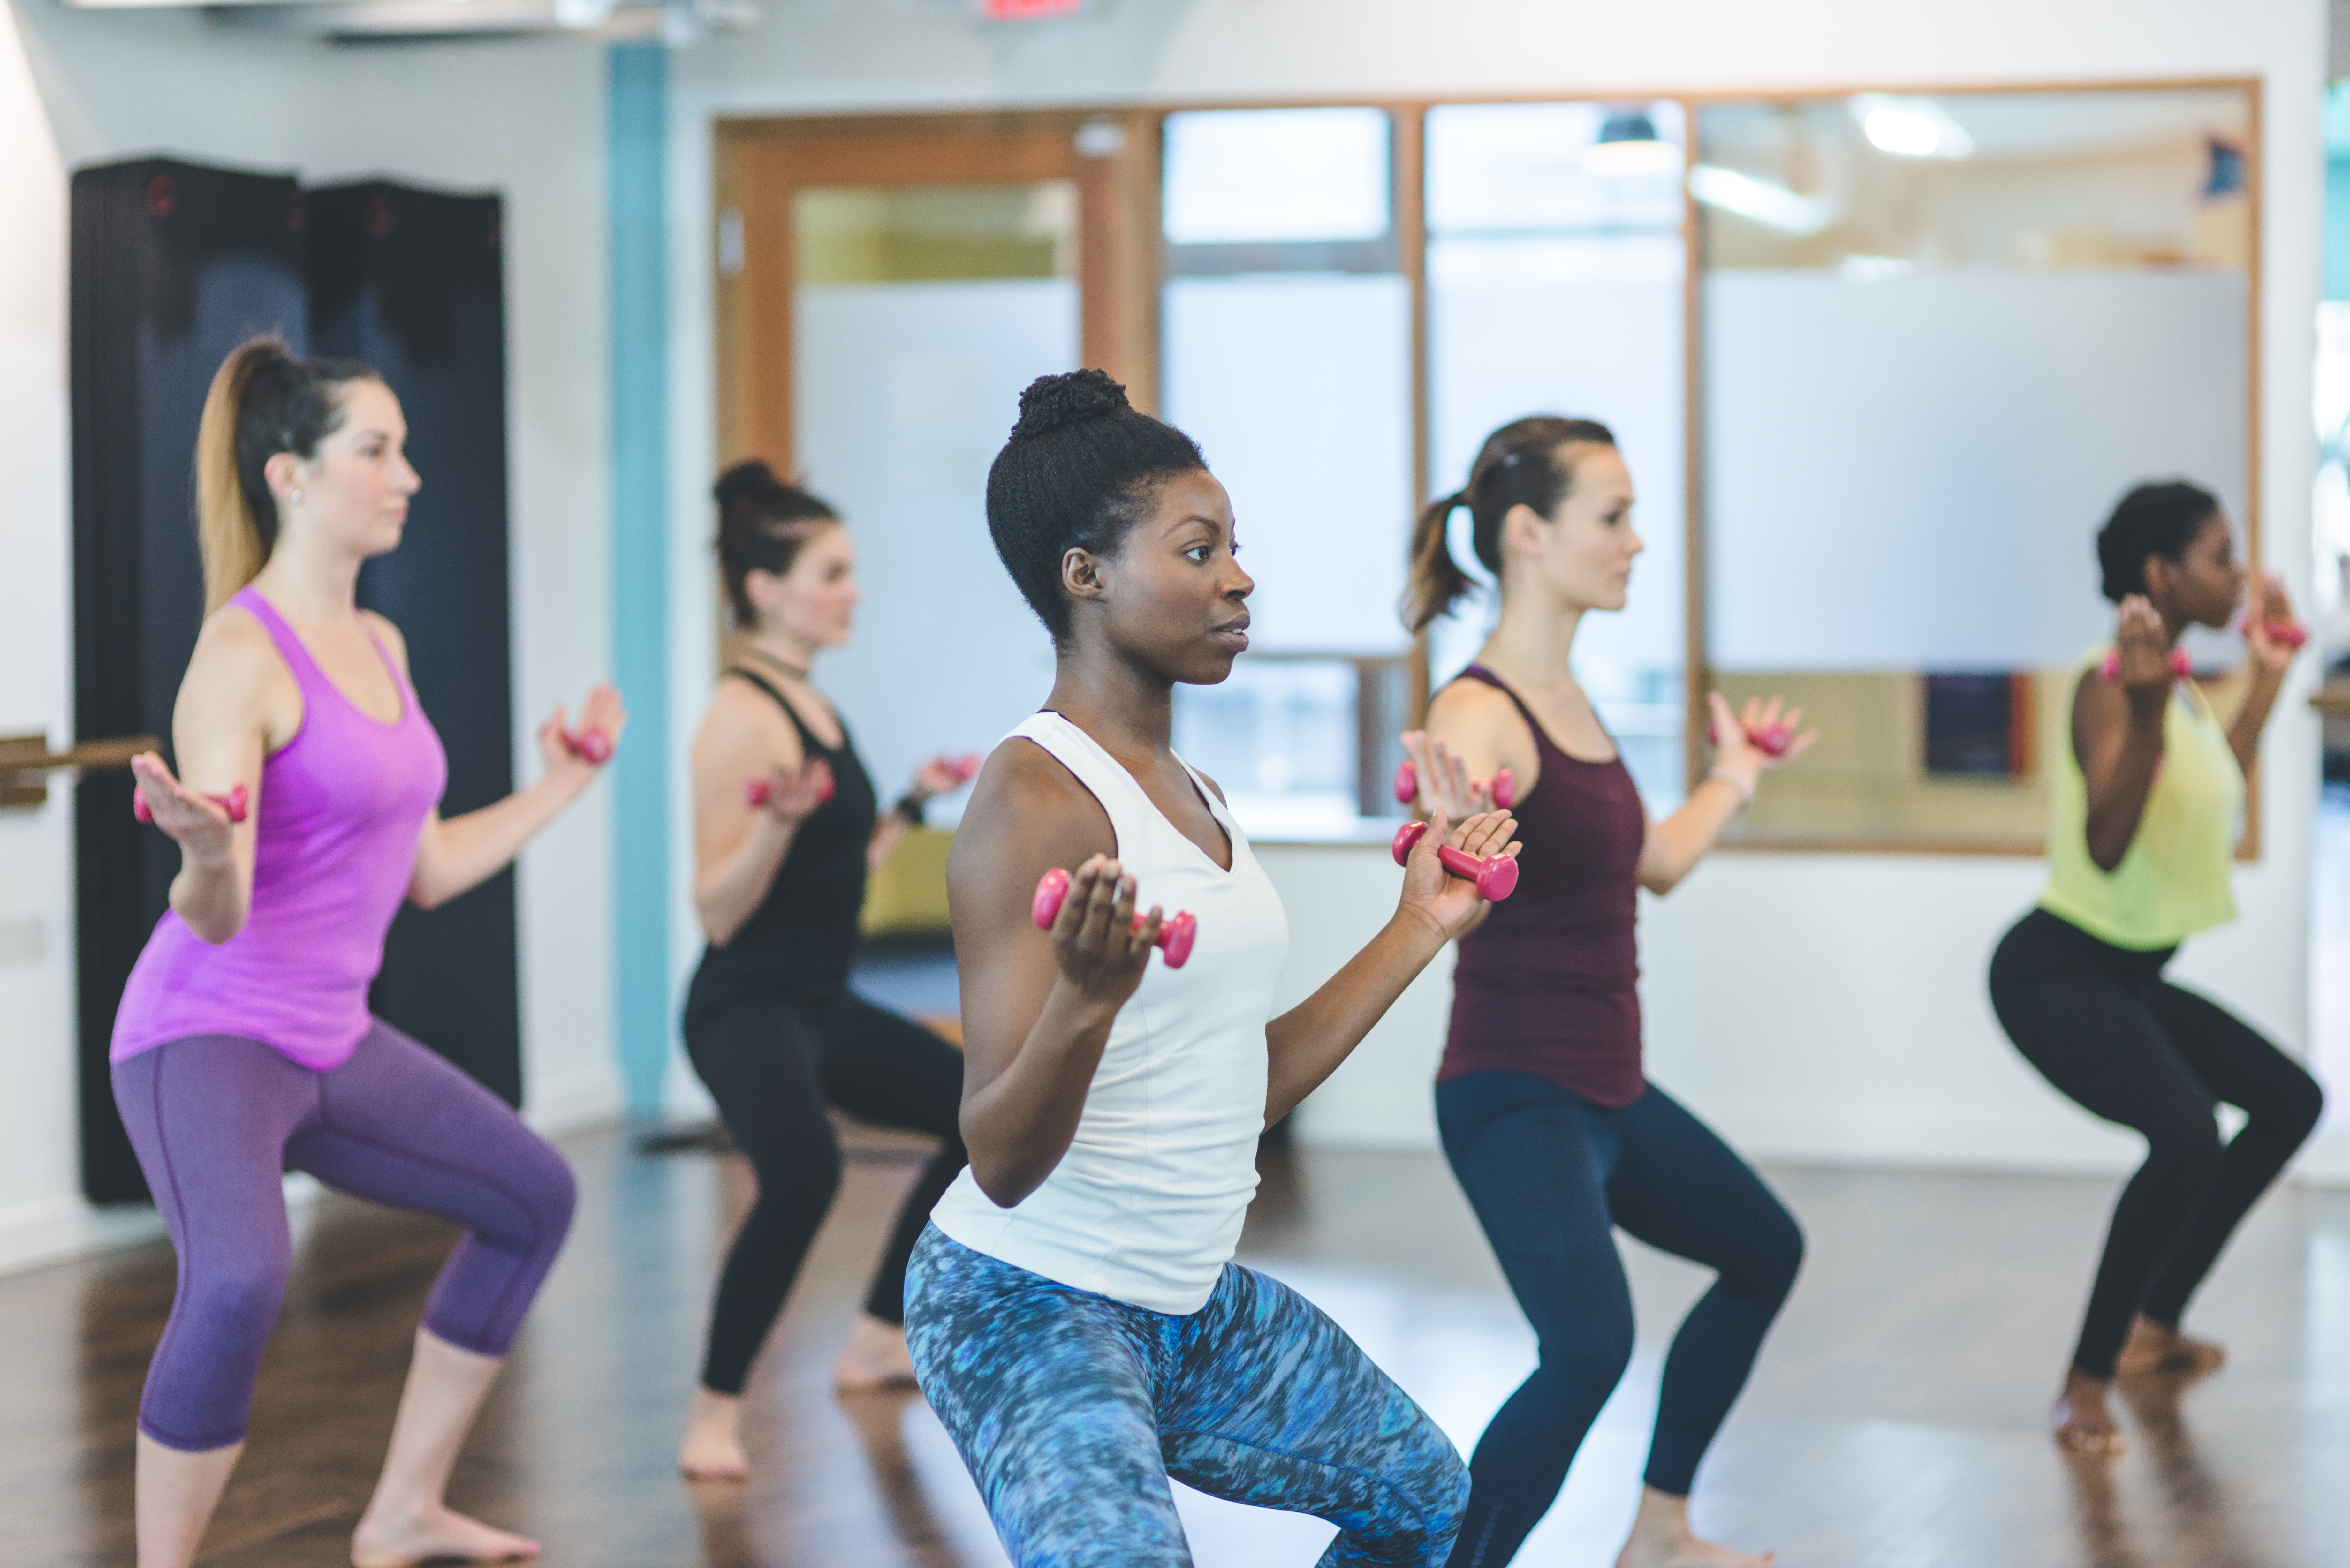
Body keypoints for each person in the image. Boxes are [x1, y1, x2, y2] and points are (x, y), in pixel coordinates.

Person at [905, 368, 1507, 1567]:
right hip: (1027, 1302)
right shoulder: (1031, 799)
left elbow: (1244, 1086)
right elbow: (1002, 1157)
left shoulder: (1198, 796)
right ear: (1087, 576)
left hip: (1191, 1305)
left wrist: (1417, 928)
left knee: (1431, 1505)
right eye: (1197, 550)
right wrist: (1083, 1000)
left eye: (1236, 548)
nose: (1238, 578)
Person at [113, 336, 619, 1568]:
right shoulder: (239, 657)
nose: (408, 475)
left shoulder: (379, 649)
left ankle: (403, 1509)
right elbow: (215, 911)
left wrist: (562, 784)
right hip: (208, 1031)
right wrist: (205, 851)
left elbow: (428, 869)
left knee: (532, 1199)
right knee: (236, 1281)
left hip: (332, 1037)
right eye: (377, 451)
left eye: (403, 449)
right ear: (290, 475)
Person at [1401, 416, 1809, 1568]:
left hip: (1608, 1088)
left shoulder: (1572, 699)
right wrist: (1448, 825)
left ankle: (1663, 1533)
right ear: (1528, 534)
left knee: (1764, 1252)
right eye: (1615, 517)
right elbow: (1458, 813)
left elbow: (1657, 865)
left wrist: (1738, 774)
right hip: (1514, 1092)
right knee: (1587, 1349)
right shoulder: (1483, 711)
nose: (1637, 542)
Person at [1987, 480, 2321, 1455]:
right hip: (2053, 972)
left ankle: (2154, 1328)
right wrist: (2138, 712)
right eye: (2222, 554)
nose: (2240, 573)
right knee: (2184, 1137)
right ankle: (2083, 1385)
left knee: (2287, 1102)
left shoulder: (2171, 689)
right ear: (2161, 574)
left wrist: (2264, 677)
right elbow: (2106, 839)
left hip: (2125, 976)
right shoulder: (2114, 686)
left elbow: (2217, 786)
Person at [676, 462, 974, 1480]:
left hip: (818, 1000)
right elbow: (717, 909)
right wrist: (770, 824)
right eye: (832, 571)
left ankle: (877, 1337)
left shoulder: (816, 706)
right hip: (743, 1006)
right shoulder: (741, 719)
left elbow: (831, 873)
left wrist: (909, 806)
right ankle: (713, 1416)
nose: (853, 590)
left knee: (983, 1114)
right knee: (804, 1174)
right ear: (766, 588)